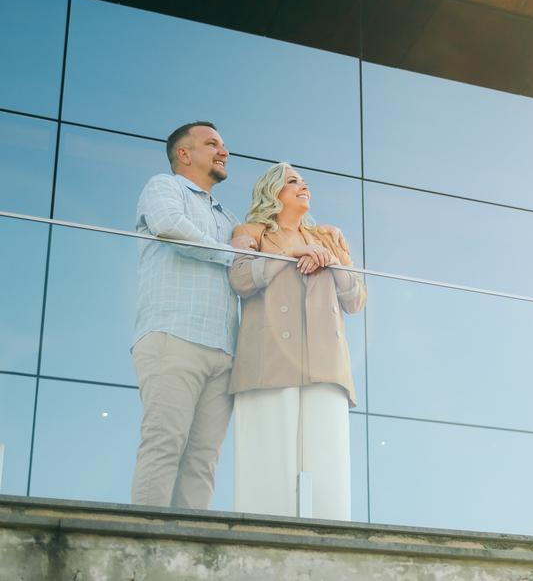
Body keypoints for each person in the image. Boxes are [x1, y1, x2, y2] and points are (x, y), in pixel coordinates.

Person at [131, 122, 349, 510]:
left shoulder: (228, 217)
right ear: (184, 154)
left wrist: (318, 231)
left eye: (224, 144)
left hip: (223, 350)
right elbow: (169, 226)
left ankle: (189, 540)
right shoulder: (164, 187)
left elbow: (257, 257)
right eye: (212, 144)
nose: (224, 151)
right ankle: (145, 537)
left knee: (203, 460)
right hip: (174, 334)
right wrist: (231, 249)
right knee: (164, 443)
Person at [227, 162, 366, 520]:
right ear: (273, 192)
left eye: (304, 182)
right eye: (293, 182)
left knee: (328, 466)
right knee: (267, 461)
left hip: (326, 363)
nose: (304, 187)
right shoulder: (251, 232)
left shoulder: (327, 238)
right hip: (269, 359)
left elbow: (357, 301)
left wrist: (332, 262)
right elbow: (241, 281)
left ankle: (329, 545)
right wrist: (287, 255)